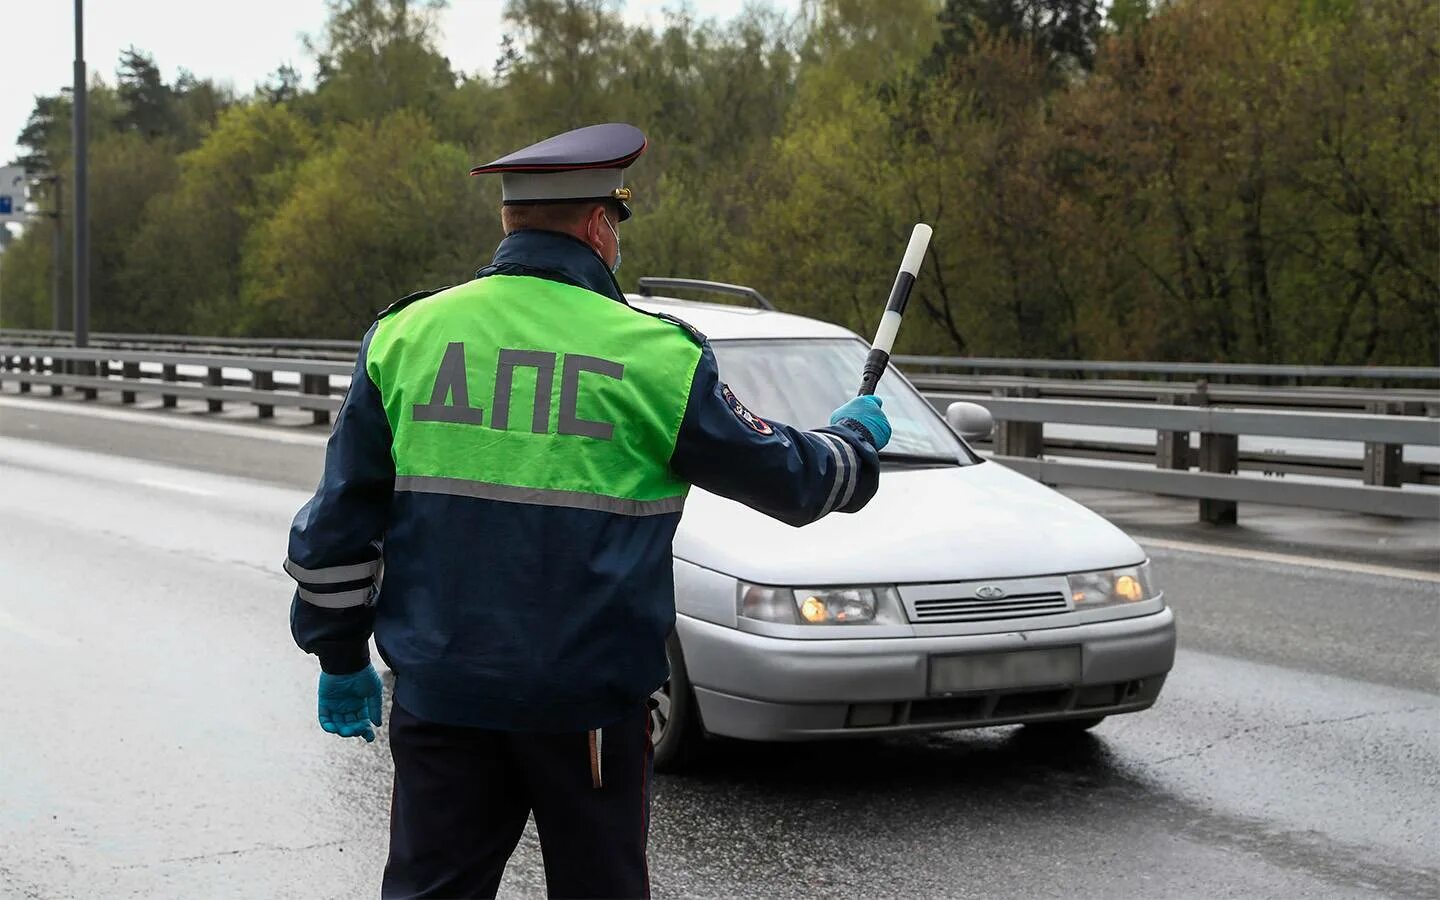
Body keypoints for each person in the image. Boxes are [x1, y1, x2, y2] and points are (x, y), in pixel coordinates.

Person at [283, 122, 890, 899]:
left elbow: (338, 526)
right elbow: (793, 482)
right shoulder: (655, 354)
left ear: (509, 221)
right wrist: (853, 442)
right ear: (601, 224)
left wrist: (338, 654)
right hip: (590, 710)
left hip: (445, 699)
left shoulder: (405, 337)